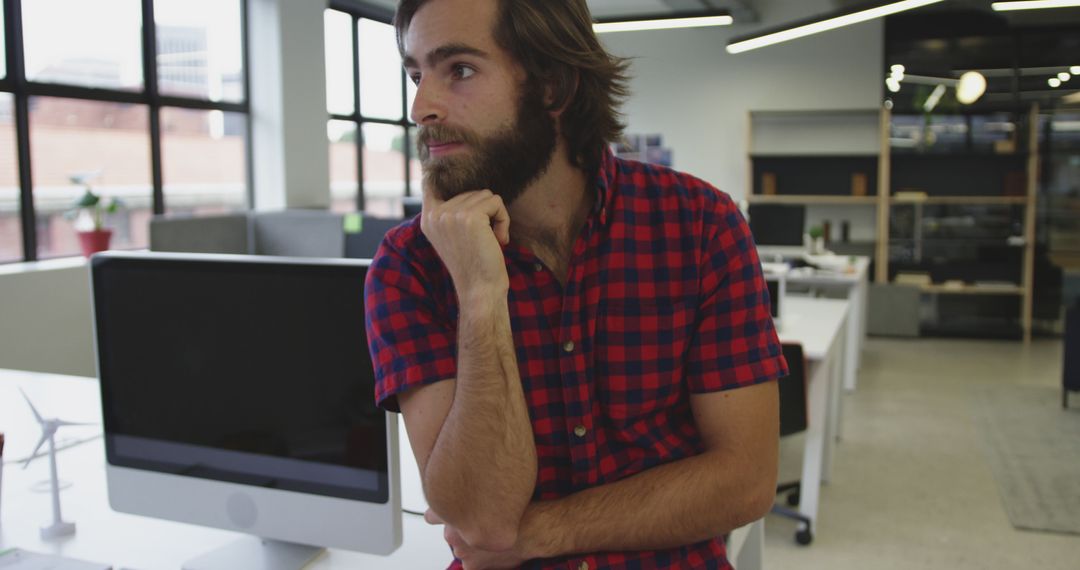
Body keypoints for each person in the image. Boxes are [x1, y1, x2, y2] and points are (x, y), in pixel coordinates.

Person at [364, 1, 787, 568]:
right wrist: (481, 295)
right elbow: (481, 519)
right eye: (416, 75)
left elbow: (746, 480)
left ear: (553, 86)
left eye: (458, 70)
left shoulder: (700, 224)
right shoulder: (410, 266)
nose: (421, 108)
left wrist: (541, 532)